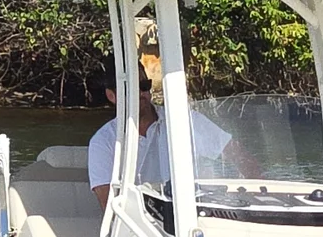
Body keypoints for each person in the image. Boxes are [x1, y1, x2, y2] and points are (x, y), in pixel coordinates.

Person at [88, 71, 238, 200]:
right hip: (137, 221)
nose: (140, 93)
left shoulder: (185, 120)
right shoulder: (103, 141)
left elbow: (236, 153)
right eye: (131, 88)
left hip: (189, 213)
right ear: (111, 95)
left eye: (144, 86)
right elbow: (109, 204)